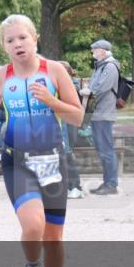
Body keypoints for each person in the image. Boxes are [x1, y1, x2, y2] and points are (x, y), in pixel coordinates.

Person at [0, 15, 83, 267]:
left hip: (52, 161)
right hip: (18, 161)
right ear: (4, 46)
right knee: (33, 226)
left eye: (22, 38)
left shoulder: (54, 71)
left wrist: (52, 101)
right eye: (10, 40)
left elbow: (77, 117)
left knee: (53, 237)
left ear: (34, 38)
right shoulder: (0, 76)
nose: (17, 44)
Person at [84, 39, 120, 196]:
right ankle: (107, 182)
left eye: (95, 50)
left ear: (103, 51)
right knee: (102, 150)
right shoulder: (101, 66)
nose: (93, 52)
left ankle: (111, 184)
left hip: (103, 114)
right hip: (98, 114)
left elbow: (102, 88)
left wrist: (88, 93)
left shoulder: (109, 66)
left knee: (106, 150)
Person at [58, 61, 85, 199]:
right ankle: (69, 186)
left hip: (68, 124)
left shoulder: (70, 86)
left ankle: (76, 187)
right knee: (63, 156)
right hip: (63, 123)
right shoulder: (63, 85)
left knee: (67, 155)